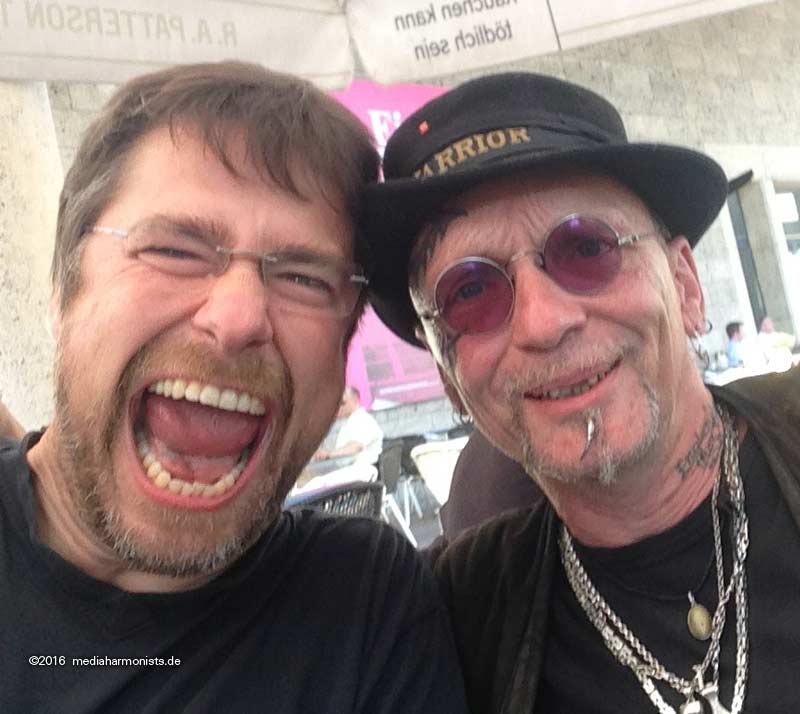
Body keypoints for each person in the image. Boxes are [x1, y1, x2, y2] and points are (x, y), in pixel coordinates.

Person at [0, 62, 467, 712]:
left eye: (305, 279)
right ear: (62, 291)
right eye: (175, 250)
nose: (239, 316)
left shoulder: (364, 605)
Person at [363, 71, 800, 713]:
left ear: (684, 284)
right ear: (448, 377)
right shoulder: (454, 623)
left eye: (587, 248)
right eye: (471, 292)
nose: (543, 322)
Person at [315, 386, 384, 466]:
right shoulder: (351, 421)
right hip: (347, 467)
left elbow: (355, 447)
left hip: (361, 468)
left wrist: (329, 454)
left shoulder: (364, 420)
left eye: (342, 403)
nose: (338, 407)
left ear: (355, 401)